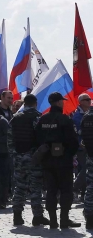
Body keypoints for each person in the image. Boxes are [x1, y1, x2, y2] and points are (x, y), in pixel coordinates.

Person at [35, 92, 80, 229]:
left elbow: (36, 139)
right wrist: (68, 155)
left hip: (47, 161)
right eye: (62, 101)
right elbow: (74, 142)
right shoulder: (65, 120)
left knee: (51, 190)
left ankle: (53, 220)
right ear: (59, 102)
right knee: (66, 190)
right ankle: (64, 219)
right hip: (64, 161)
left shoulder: (42, 120)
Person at [8, 94, 50, 226]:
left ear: (24, 104)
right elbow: (42, 137)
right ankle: (37, 216)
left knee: (19, 186)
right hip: (34, 157)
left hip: (19, 156)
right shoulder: (38, 117)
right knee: (35, 186)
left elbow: (9, 139)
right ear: (35, 103)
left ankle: (17, 216)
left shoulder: (15, 118)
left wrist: (15, 154)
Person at [73, 93, 91, 200]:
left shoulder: (88, 113)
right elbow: (80, 131)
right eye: (87, 99)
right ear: (80, 102)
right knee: (86, 169)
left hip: (89, 146)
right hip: (82, 147)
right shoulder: (77, 115)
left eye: (89, 99)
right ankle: (74, 187)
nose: (89, 101)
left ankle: (84, 193)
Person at [80, 100, 93, 228]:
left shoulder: (86, 116)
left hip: (90, 156)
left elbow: (82, 136)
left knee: (90, 188)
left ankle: (89, 216)